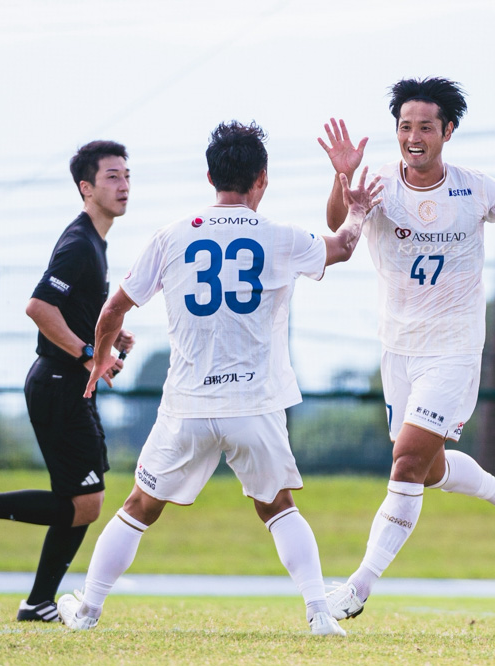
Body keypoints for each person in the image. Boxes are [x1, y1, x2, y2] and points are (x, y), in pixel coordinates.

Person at [55, 120, 382, 637]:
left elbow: (115, 307)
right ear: (263, 179)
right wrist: (356, 205)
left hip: (186, 405)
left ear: (210, 175)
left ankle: (88, 610)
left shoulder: (172, 234)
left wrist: (98, 358)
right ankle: (320, 613)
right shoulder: (278, 236)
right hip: (254, 402)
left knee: (138, 507)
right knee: (279, 508)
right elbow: (341, 246)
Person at [318, 77, 495, 621]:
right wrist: (341, 177)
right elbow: (337, 224)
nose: (413, 137)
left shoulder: (475, 188)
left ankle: (356, 589)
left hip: (453, 349)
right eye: (405, 127)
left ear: (447, 131)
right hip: (397, 348)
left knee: (405, 463)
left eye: (425, 127)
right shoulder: (378, 182)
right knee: (426, 470)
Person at [0, 140, 136, 623]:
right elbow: (39, 308)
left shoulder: (94, 241)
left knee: (82, 501)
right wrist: (90, 354)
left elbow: (68, 308)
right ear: (86, 188)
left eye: (127, 175)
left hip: (65, 383)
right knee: (85, 502)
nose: (124, 184)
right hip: (59, 383)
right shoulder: (79, 243)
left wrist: (106, 334)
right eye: (111, 177)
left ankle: (38, 601)